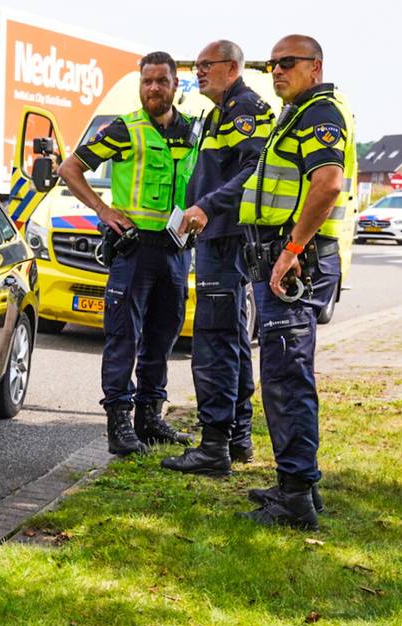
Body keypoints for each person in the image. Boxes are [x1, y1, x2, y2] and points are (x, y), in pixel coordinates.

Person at [237, 35, 357, 529]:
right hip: (288, 259)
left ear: (316, 65)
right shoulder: (300, 111)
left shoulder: (319, 112)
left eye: (287, 62)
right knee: (287, 377)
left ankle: (296, 500)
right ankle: (298, 484)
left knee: (286, 380)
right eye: (271, 64)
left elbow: (326, 184)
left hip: (297, 263)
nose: (276, 71)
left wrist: (288, 250)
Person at [57, 52, 197, 455]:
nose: (154, 87)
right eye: (147, 81)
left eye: (161, 81)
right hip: (134, 251)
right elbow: (70, 169)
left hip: (175, 251)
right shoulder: (124, 129)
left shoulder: (192, 133)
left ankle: (150, 418)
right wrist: (103, 211)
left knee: (163, 335)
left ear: (175, 85)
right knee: (123, 338)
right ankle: (119, 424)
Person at [161, 40, 274, 477]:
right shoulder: (219, 112)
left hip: (225, 238)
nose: (199, 72)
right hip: (217, 238)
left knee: (213, 343)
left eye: (207, 66)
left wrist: (207, 207)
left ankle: (214, 448)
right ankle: (238, 438)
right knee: (232, 340)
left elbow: (252, 171)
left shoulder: (245, 109)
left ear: (231, 67)